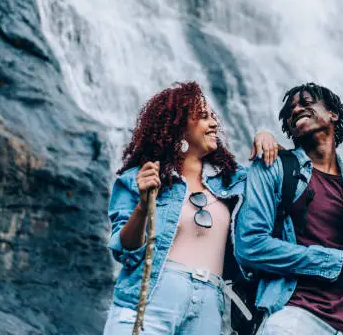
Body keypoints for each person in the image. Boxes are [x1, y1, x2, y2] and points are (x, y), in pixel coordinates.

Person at [103, 81, 281, 334]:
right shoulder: (138, 178)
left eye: (213, 117)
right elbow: (126, 252)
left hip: (209, 304)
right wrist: (143, 206)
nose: (214, 124)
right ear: (179, 127)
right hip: (153, 299)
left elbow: (281, 182)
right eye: (203, 117)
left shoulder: (235, 182)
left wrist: (265, 135)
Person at [235, 82, 343, 335]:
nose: (296, 109)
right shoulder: (273, 168)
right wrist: (340, 259)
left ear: (333, 114)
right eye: (290, 110)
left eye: (306, 102)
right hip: (295, 320)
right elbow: (250, 247)